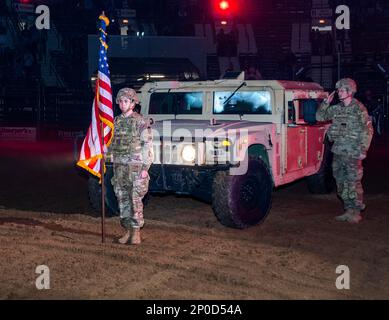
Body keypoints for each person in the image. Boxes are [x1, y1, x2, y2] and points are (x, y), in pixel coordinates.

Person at [316, 78, 373, 223]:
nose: (339, 93)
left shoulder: (358, 109)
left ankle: (356, 211)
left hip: (353, 152)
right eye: (339, 90)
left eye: (341, 90)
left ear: (350, 91)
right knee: (340, 182)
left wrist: (363, 149)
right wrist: (326, 103)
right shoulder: (337, 108)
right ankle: (348, 210)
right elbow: (320, 117)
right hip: (339, 151)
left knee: (353, 182)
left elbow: (368, 130)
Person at [106, 88, 153, 244]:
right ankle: (127, 230)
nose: (122, 104)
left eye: (126, 101)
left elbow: (147, 146)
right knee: (122, 199)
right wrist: (104, 155)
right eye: (120, 101)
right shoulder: (116, 121)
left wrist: (145, 168)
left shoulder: (140, 121)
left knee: (135, 200)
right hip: (119, 167)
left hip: (136, 167)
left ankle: (136, 232)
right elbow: (112, 144)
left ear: (133, 103)